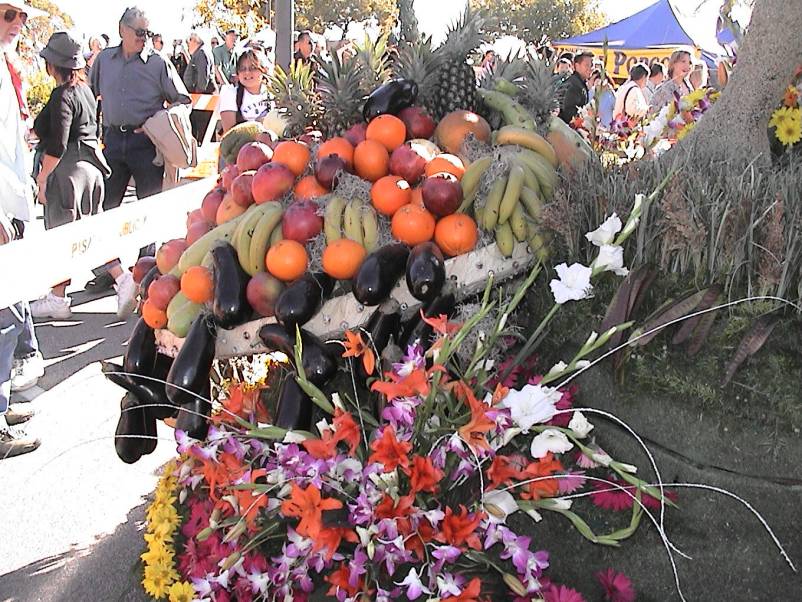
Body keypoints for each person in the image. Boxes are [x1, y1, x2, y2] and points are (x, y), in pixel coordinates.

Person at [89, 6, 191, 316]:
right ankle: (112, 273)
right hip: (112, 141)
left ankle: (144, 280)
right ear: (122, 30)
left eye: (148, 33)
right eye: (139, 32)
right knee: (103, 211)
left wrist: (158, 123)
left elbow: (182, 100)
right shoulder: (104, 60)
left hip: (145, 143)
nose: (144, 39)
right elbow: (90, 93)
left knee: (149, 214)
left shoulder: (158, 63)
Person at [29, 32, 110, 320]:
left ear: (53, 65)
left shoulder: (62, 94)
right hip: (92, 168)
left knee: (60, 234)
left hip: (67, 171)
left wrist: (42, 178)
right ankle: (123, 278)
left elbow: (58, 143)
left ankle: (58, 298)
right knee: (93, 231)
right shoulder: (86, 92)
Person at [0, 0, 46, 459]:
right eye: (7, 14)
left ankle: (2, 402)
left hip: (11, 201)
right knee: (3, 318)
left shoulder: (5, 64)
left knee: (10, 311)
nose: (17, 24)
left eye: (21, 17)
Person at [219, 48, 270, 134]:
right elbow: (229, 134)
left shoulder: (273, 94)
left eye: (253, 68)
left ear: (264, 70)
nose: (247, 72)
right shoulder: (230, 94)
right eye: (242, 69)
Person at [649, 49, 692, 114]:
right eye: (683, 61)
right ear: (673, 64)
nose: (687, 66)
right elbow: (652, 112)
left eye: (689, 62)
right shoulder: (663, 88)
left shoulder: (689, 87)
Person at [558, 51, 593, 123]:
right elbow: (569, 113)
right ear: (577, 65)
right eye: (587, 65)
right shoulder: (573, 85)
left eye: (591, 65)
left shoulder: (579, 83)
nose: (590, 68)